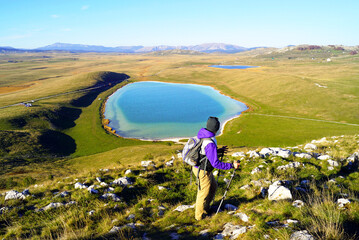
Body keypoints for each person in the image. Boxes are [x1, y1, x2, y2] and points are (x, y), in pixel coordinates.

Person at [192, 116, 240, 220]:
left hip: (201, 168)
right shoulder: (210, 142)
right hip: (203, 171)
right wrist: (231, 165)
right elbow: (215, 163)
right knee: (203, 193)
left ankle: (207, 208)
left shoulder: (204, 134)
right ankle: (200, 217)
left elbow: (205, 152)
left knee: (213, 187)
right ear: (216, 128)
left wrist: (218, 151)